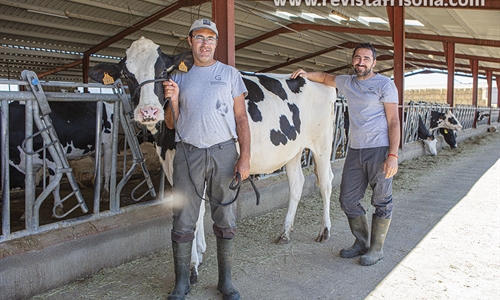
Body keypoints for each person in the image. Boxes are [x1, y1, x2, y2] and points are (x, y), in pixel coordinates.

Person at [163, 18, 250, 300]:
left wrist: (245, 157)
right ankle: (182, 283)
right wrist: (173, 101)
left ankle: (225, 282)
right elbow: (170, 124)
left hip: (224, 151)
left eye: (210, 38)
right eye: (199, 38)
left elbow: (240, 117)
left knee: (225, 216)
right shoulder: (178, 76)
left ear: (216, 43)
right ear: (190, 42)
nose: (204, 43)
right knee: (183, 218)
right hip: (188, 153)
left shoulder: (230, 74)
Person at [291, 43, 400, 266]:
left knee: (381, 200)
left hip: (379, 149)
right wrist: (305, 74)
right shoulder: (347, 82)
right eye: (357, 58)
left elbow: (394, 121)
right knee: (348, 199)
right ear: (353, 61)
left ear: (374, 62)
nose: (361, 62)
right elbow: (323, 77)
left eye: (366, 58)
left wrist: (393, 155)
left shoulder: (385, 85)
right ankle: (361, 242)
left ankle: (376, 249)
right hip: (355, 150)